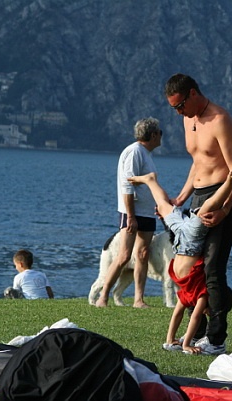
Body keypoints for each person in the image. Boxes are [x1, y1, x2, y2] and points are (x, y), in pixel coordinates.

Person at [164, 73, 232, 355]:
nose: (178, 112)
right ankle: (195, 334)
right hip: (198, 196)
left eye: (180, 106)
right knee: (191, 268)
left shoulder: (220, 120)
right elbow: (198, 162)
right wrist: (181, 197)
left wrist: (225, 210)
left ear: (193, 94)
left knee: (213, 268)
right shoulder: (188, 119)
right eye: (174, 108)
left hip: (222, 196)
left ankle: (216, 338)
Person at [128, 168, 232, 354]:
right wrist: (186, 344)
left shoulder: (189, 295)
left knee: (163, 206)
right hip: (190, 243)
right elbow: (194, 317)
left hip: (180, 243)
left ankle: (150, 181)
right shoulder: (201, 295)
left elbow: (178, 314)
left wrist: (170, 339)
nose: (206, 312)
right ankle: (229, 182)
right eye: (209, 311)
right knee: (206, 208)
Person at [95, 117, 162, 308]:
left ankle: (138, 300)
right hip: (133, 212)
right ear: (153, 135)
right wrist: (131, 216)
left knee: (142, 254)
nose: (161, 136)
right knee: (124, 255)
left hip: (146, 212)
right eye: (159, 133)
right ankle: (103, 297)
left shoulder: (145, 154)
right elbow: (127, 184)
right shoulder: (135, 152)